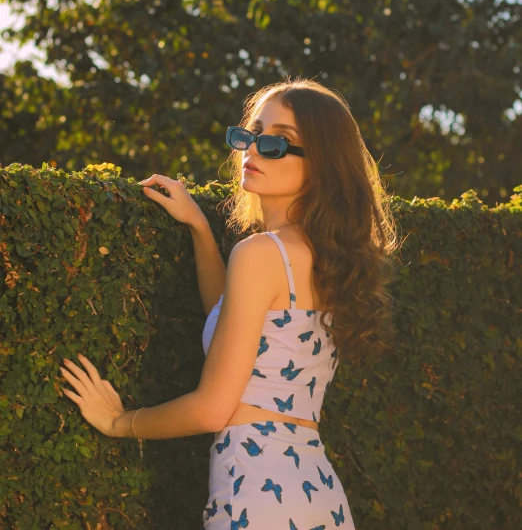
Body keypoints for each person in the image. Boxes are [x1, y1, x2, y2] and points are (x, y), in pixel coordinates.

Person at [60, 77, 399, 529]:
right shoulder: (327, 257)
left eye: (279, 142)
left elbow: (212, 408)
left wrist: (120, 421)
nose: (254, 148)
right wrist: (201, 228)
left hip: (256, 492)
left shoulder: (261, 254)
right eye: (251, 134)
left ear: (322, 164)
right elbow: (233, 322)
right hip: (318, 494)